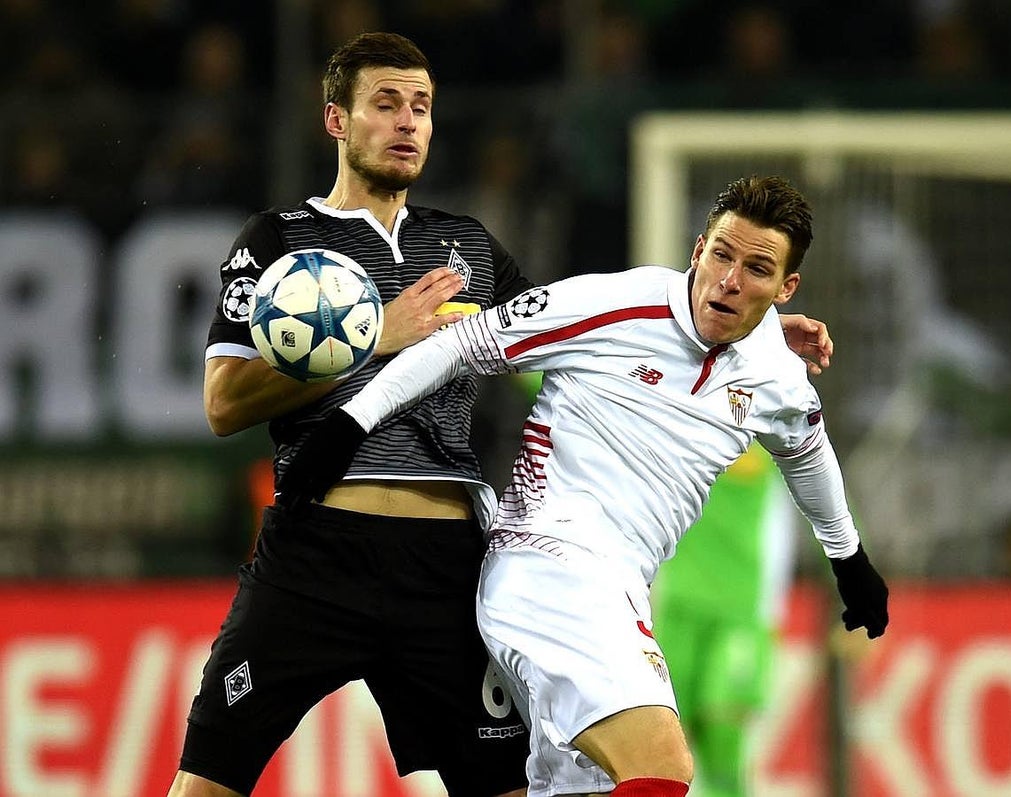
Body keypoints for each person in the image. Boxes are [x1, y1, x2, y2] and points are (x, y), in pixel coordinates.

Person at [169, 32, 836, 797]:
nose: (408, 122)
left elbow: (589, 331)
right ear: (337, 121)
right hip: (316, 551)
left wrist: (734, 328)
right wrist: (374, 336)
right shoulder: (281, 242)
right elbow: (224, 403)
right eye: (385, 104)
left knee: (506, 787)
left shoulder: (471, 248)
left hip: (446, 565)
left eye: (420, 106)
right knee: (207, 783)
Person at [279, 174, 889, 797]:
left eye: (757, 269)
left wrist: (849, 560)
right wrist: (352, 421)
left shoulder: (776, 375)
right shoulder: (617, 304)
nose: (730, 280)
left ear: (786, 289)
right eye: (721, 255)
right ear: (698, 249)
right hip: (547, 565)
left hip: (621, 587)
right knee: (660, 766)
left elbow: (807, 450)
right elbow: (463, 345)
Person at [651, 446, 799, 797]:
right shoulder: (674, 412)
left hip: (743, 614)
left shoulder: (776, 419)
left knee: (723, 731)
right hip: (677, 609)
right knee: (660, 745)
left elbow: (831, 503)